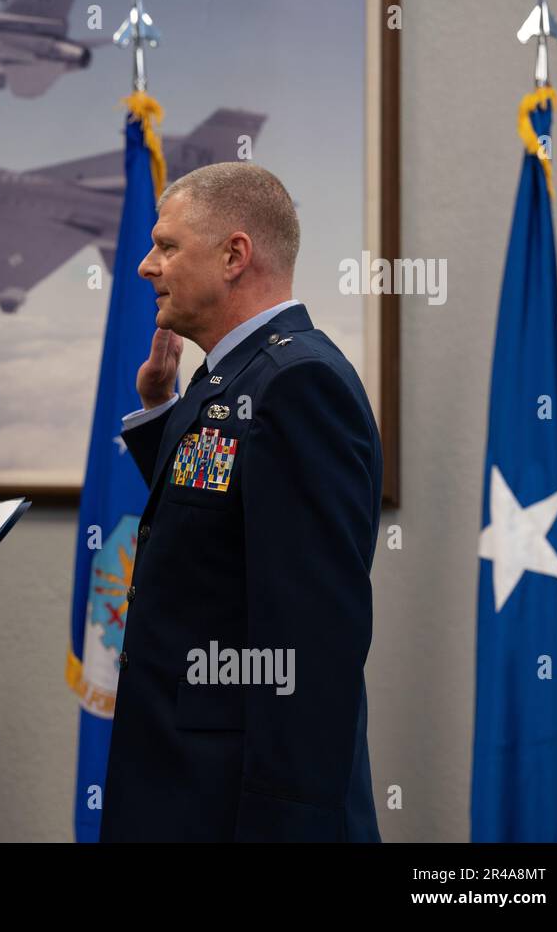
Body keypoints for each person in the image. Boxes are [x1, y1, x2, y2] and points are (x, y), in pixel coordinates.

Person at [100, 163, 382, 842]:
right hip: (183, 788)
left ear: (234, 255)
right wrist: (160, 409)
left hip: (240, 810)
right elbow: (214, 516)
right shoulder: (230, 376)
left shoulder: (299, 383)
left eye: (167, 246)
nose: (145, 266)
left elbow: (311, 644)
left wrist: (290, 826)